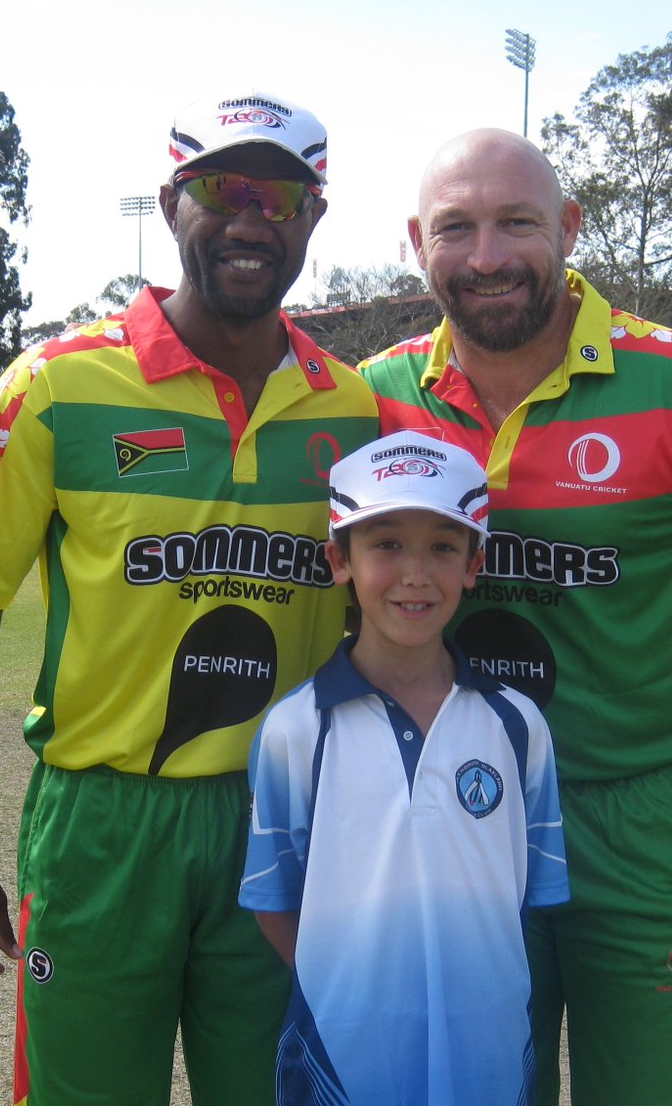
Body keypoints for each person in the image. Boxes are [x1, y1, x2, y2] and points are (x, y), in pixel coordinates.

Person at [0, 91, 378, 1106]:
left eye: (284, 197)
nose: (254, 218)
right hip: (102, 829)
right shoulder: (53, 387)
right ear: (174, 204)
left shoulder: (354, 409)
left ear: (314, 219)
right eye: (224, 189)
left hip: (282, 825)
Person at [359, 129, 672, 1106]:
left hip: (642, 818)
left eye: (518, 224)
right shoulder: (372, 399)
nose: (487, 256)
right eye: (458, 228)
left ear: (569, 229)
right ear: (418, 243)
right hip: (453, 818)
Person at [239, 430, 569, 1106]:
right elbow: (275, 905)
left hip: (488, 1054)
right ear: (339, 559)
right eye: (386, 543)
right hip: (343, 1055)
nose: (416, 574)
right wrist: (358, 980)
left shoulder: (517, 726)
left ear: (474, 563)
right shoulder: (296, 730)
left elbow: (526, 897)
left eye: (443, 547)